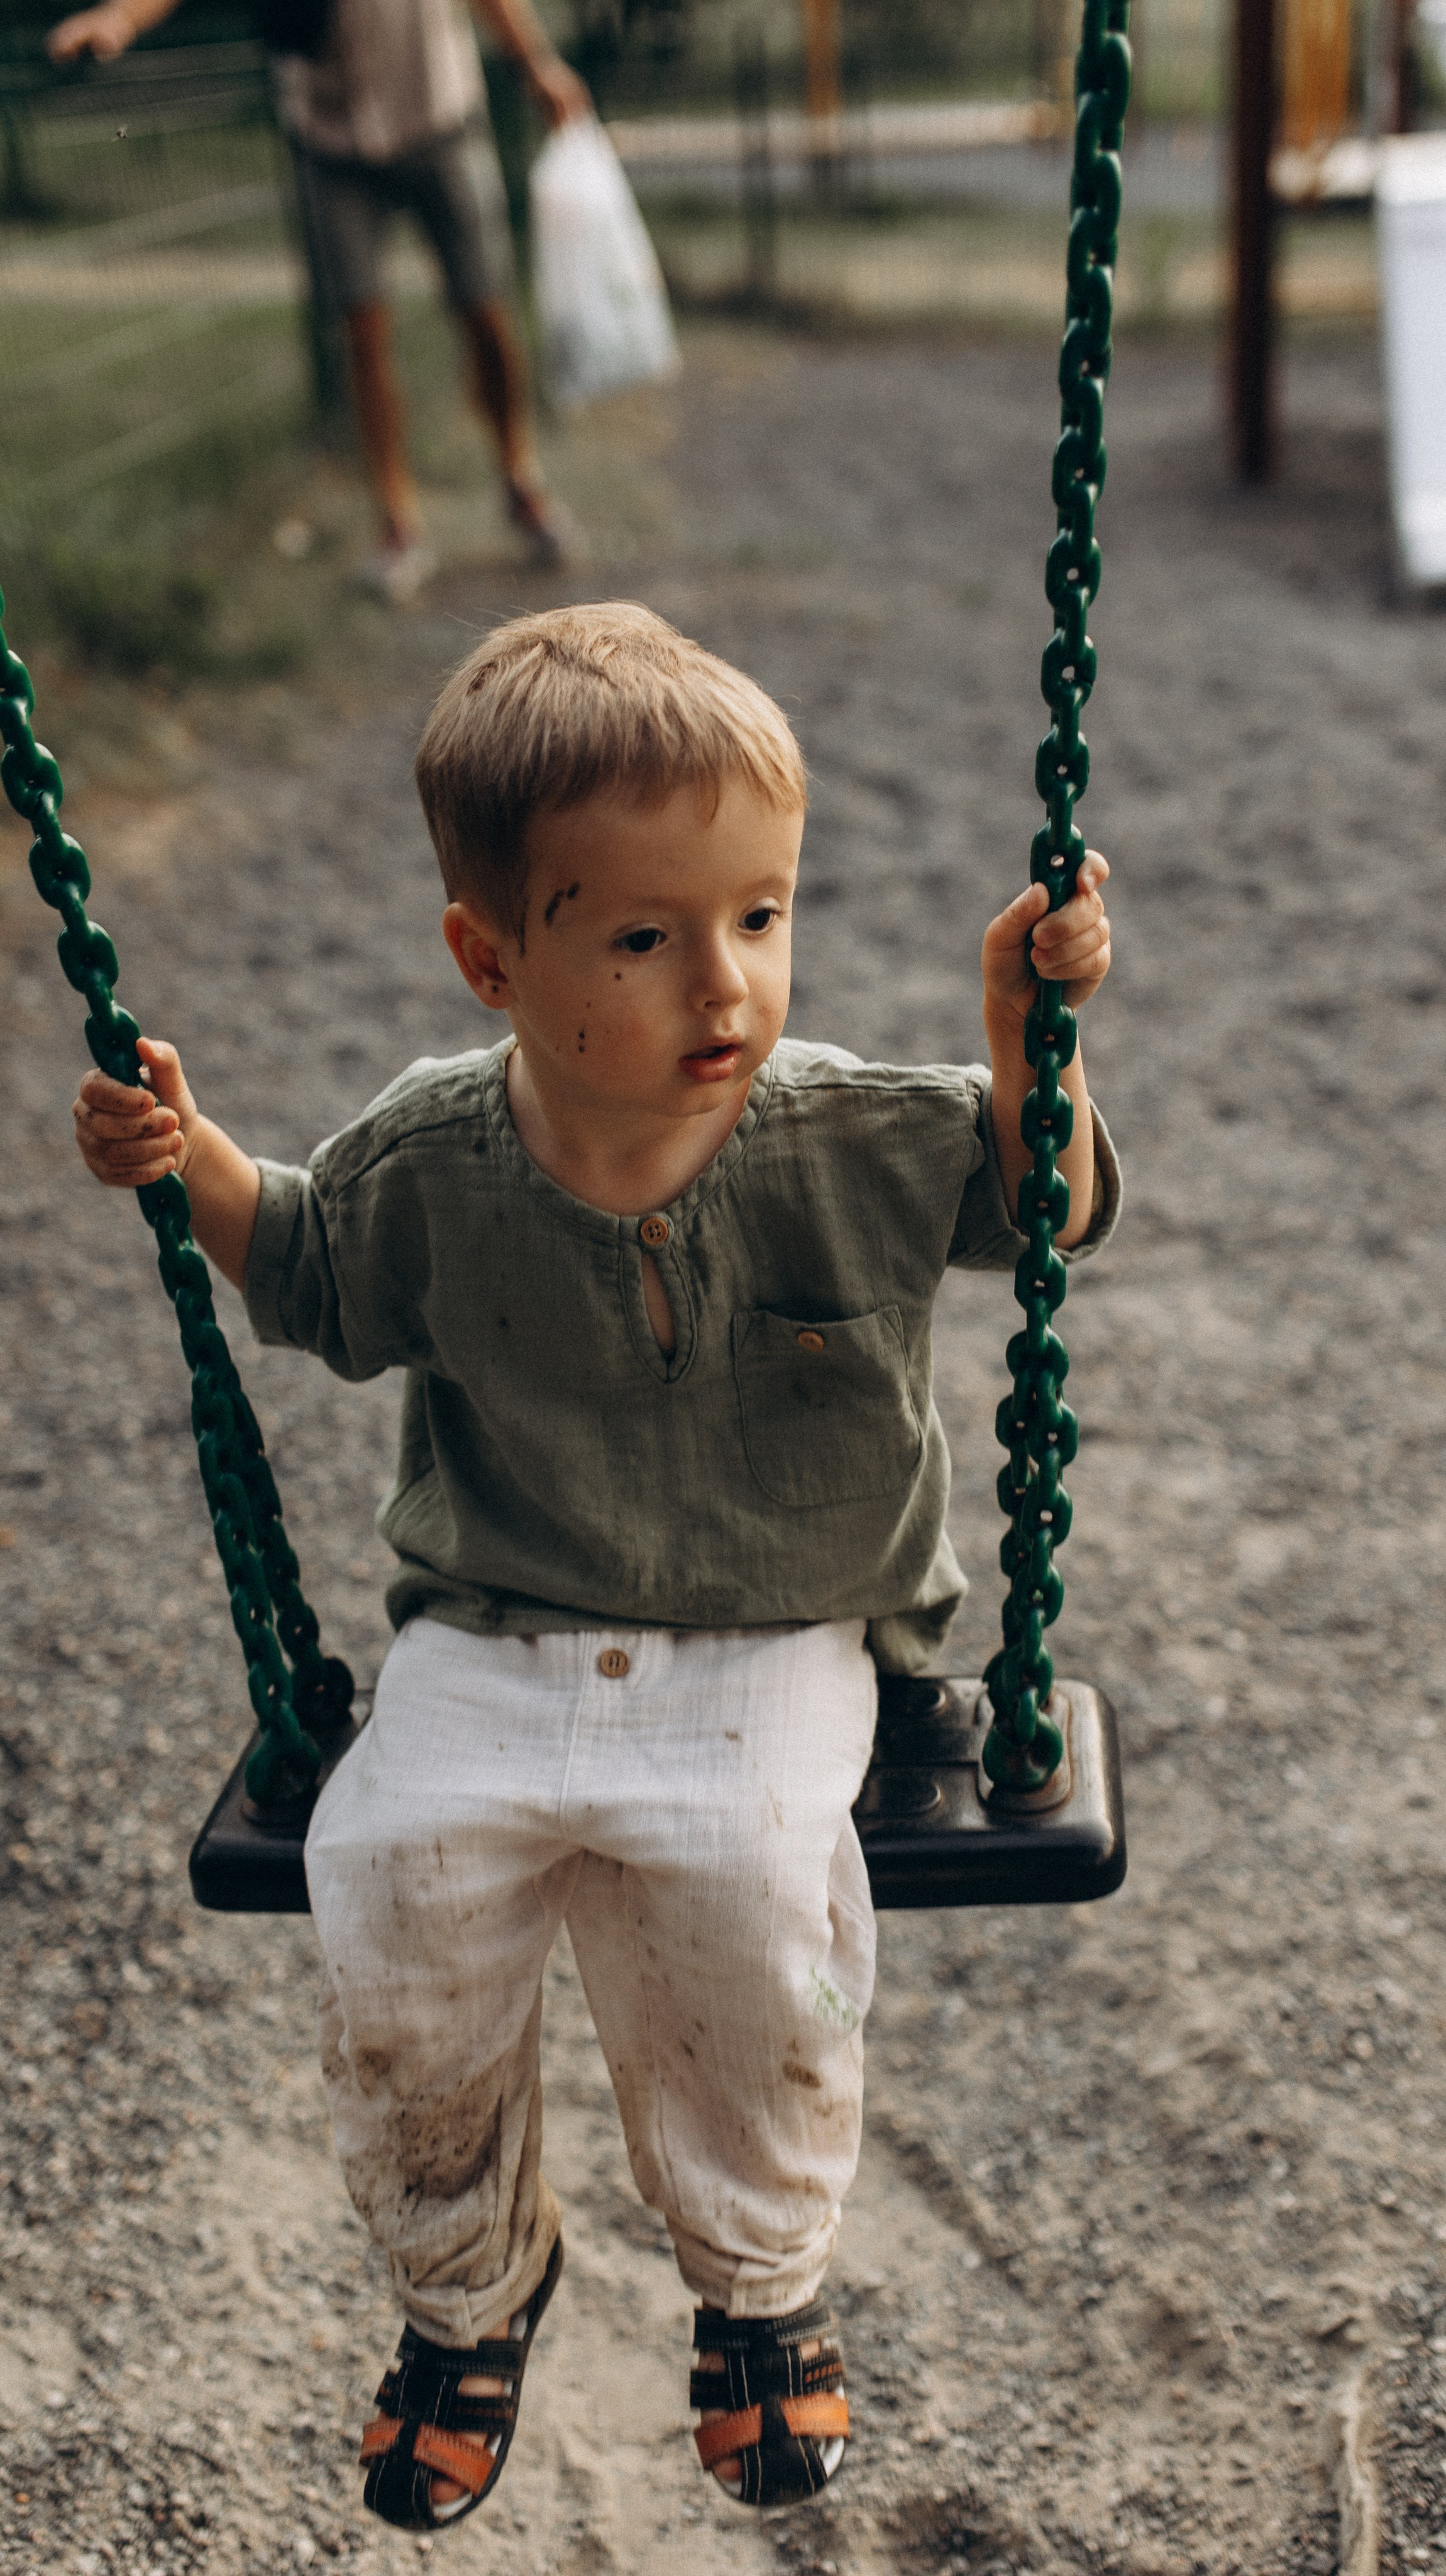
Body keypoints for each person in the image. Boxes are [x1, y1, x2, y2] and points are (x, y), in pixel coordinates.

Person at [72, 602, 1119, 2532]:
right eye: (642, 936)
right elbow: (304, 1269)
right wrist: (189, 1155)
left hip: (778, 1623)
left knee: (744, 1903)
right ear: (493, 958)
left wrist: (1016, 1034)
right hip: (497, 1615)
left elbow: (1037, 1207)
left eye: (758, 915)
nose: (722, 980)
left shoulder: (851, 1134)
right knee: (382, 1879)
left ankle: (756, 2291)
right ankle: (469, 2292)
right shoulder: (429, 1159)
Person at [48, 0, 590, 596]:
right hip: (330, 137)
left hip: (439, 116)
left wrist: (537, 64)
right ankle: (397, 527)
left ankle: (520, 482)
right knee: (363, 334)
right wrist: (121, 19)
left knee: (485, 314)